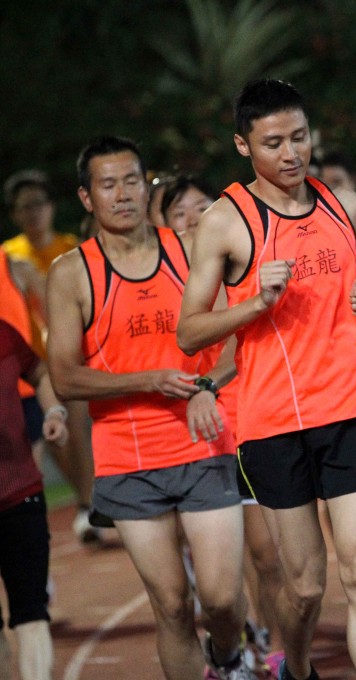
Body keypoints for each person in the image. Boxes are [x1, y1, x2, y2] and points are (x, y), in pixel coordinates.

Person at [177, 79, 356, 680]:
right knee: (304, 588)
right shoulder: (225, 221)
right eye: (274, 143)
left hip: (351, 409)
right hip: (274, 424)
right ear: (244, 145)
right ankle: (295, 668)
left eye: (299, 137)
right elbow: (190, 332)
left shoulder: (345, 205)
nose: (291, 153)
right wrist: (252, 303)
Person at [46, 136, 252, 679]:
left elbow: (237, 336)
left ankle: (230, 656)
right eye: (107, 185)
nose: (122, 195)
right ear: (87, 198)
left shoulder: (189, 248)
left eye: (131, 181)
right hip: (129, 459)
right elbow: (65, 377)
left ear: (147, 185)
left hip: (204, 442)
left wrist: (205, 383)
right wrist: (152, 380)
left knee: (223, 598)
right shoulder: (72, 274)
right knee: (173, 605)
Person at [160, 174, 286, 675]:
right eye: (179, 213)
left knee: (268, 556)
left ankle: (275, 650)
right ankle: (234, 642)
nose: (193, 219)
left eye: (201, 207)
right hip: (187, 437)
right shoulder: (159, 281)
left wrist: (210, 384)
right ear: (161, 226)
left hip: (248, 419)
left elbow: (245, 341)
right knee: (215, 581)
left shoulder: (236, 268)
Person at [3, 169, 98, 546]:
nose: (33, 213)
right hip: (26, 370)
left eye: (39, 204)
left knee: (77, 430)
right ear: (14, 214)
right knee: (55, 443)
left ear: (52, 207)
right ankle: (85, 502)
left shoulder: (70, 248)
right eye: (24, 207)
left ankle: (89, 505)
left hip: (68, 361)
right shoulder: (11, 257)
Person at [0, 315, 68, 680]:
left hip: (21, 493)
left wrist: (54, 411)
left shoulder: (4, 334)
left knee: (31, 612)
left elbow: (39, 373)